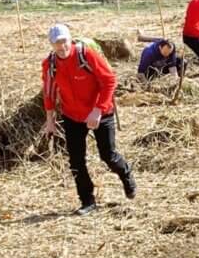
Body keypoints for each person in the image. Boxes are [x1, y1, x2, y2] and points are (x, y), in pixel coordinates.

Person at [40, 24, 135, 215]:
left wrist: (98, 110)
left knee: (108, 155)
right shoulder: (50, 64)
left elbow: (109, 80)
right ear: (51, 44)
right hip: (72, 115)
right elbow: (49, 92)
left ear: (70, 40)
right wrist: (50, 119)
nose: (62, 46)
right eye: (57, 43)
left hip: (101, 111)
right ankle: (87, 201)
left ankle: (126, 174)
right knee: (76, 161)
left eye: (64, 41)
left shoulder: (86, 55)